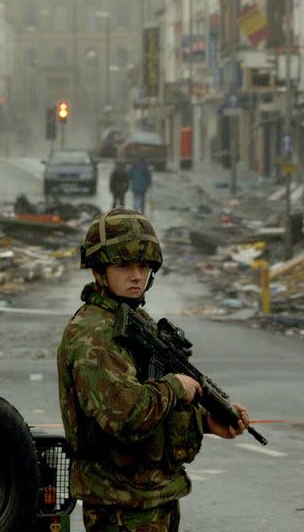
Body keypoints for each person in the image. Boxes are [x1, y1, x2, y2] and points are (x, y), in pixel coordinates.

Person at [57, 208, 250, 532]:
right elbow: (125, 414)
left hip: (150, 499)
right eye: (124, 266)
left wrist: (205, 421)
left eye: (144, 266)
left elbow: (152, 403)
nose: (136, 275)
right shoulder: (95, 335)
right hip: (120, 508)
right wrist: (176, 387)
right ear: (99, 271)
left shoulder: (130, 320)